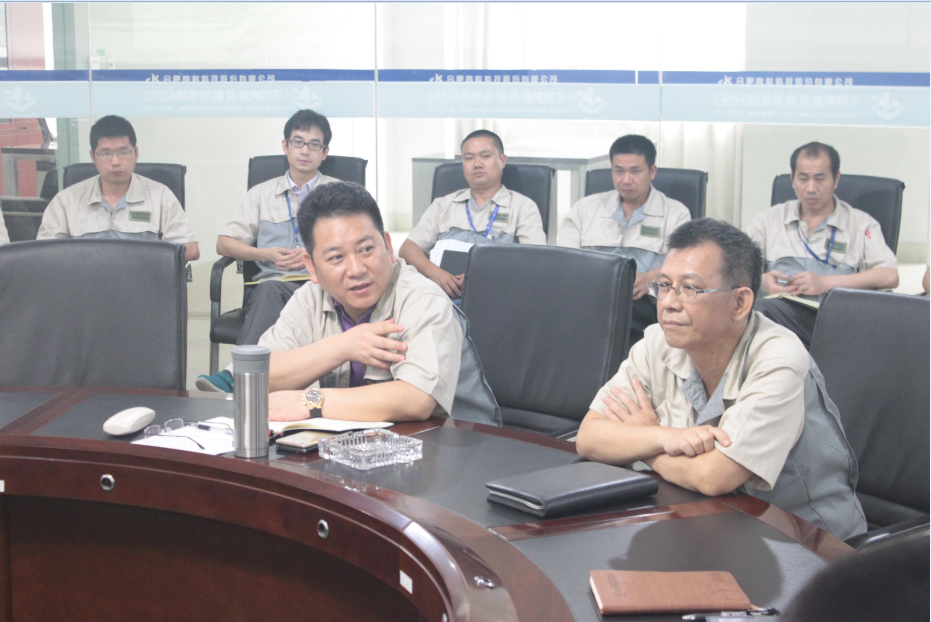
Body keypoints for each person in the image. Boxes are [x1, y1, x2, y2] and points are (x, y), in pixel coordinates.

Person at [575, 218, 866, 541]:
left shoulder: (779, 358)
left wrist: (643, 442)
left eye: (690, 289)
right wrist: (664, 436)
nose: (669, 303)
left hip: (807, 542)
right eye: (664, 285)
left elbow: (713, 477)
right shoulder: (658, 341)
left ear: (739, 303)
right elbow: (589, 437)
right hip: (710, 526)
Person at [257, 181, 499, 424]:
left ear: (388, 246)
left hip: (460, 436)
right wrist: (343, 346)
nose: (356, 269)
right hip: (364, 439)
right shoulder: (311, 297)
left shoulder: (423, 298)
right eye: (337, 257)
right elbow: (259, 375)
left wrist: (310, 401)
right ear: (312, 267)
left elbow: (416, 400)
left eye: (366, 249)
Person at [196, 109, 337, 393]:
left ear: (325, 152)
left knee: (303, 295)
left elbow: (358, 244)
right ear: (285, 146)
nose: (305, 150)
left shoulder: (339, 193)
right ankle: (249, 381)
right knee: (270, 289)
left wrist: (314, 255)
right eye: (298, 142)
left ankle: (236, 376)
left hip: (324, 288)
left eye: (314, 144)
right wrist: (265, 254)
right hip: (272, 289)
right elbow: (225, 243)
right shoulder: (260, 194)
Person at [747, 142, 898, 348]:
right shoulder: (767, 221)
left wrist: (826, 283)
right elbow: (737, 268)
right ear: (792, 178)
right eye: (803, 178)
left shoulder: (861, 224)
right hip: (778, 319)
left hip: (838, 321)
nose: (811, 188)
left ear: (836, 179)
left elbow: (889, 276)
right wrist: (763, 280)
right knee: (751, 311)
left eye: (820, 178)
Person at [558, 135, 690, 345]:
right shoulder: (586, 209)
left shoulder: (675, 214)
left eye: (635, 171)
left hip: (645, 305)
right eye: (619, 171)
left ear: (652, 171)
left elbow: (684, 265)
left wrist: (651, 278)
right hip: (591, 299)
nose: (626, 180)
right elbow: (564, 259)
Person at [398, 130, 546, 299]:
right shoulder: (443, 205)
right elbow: (408, 249)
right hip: (443, 299)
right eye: (469, 158)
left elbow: (536, 260)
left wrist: (483, 275)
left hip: (498, 297)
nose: (477, 164)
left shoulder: (522, 207)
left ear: (502, 160)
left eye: (485, 156)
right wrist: (436, 274)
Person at [36, 115, 199, 261]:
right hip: (84, 282)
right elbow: (43, 253)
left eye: (123, 152)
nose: (115, 162)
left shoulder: (160, 196)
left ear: (136, 153)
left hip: (142, 281)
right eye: (106, 153)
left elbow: (191, 250)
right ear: (93, 157)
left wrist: (137, 260)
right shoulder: (66, 200)